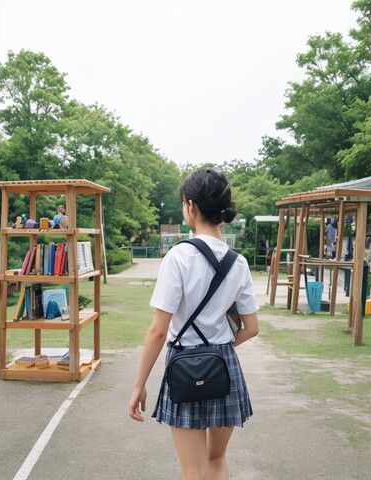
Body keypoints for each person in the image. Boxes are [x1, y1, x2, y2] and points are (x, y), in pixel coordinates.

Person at [129, 168, 259, 479]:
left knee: (192, 469)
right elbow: (251, 328)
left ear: (191, 206)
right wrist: (220, 346)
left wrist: (138, 385)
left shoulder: (179, 256)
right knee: (216, 461)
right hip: (224, 365)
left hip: (183, 366)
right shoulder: (238, 262)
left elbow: (159, 329)